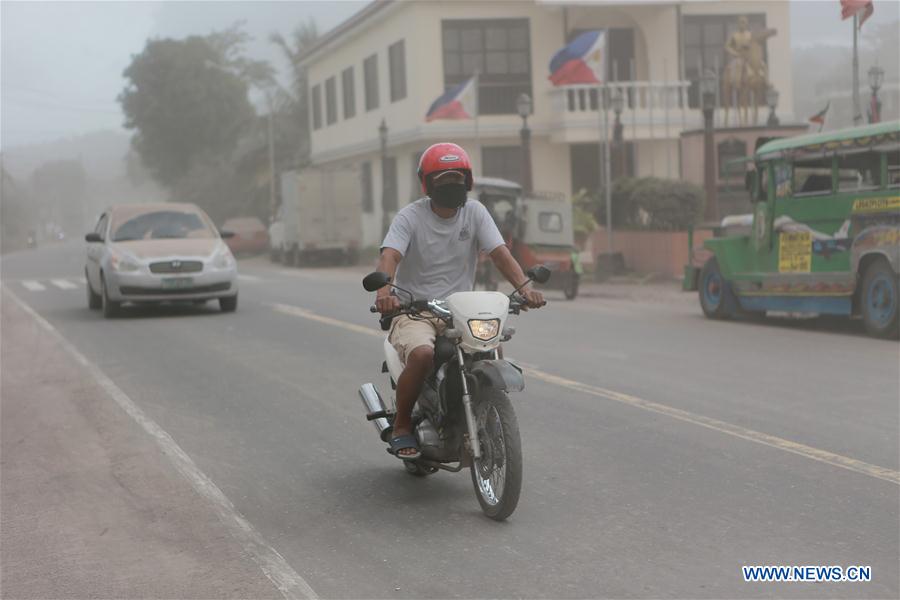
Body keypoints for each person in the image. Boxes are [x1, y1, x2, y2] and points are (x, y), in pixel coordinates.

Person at [373, 142, 544, 460]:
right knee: (423, 354)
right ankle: (401, 426)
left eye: (457, 179)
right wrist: (385, 294)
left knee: (491, 347)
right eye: (443, 180)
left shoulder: (475, 213)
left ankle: (485, 412)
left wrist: (523, 288)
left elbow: (500, 254)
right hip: (416, 310)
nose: (451, 186)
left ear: (467, 182)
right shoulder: (410, 217)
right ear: (428, 184)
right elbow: (390, 255)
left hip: (460, 310)